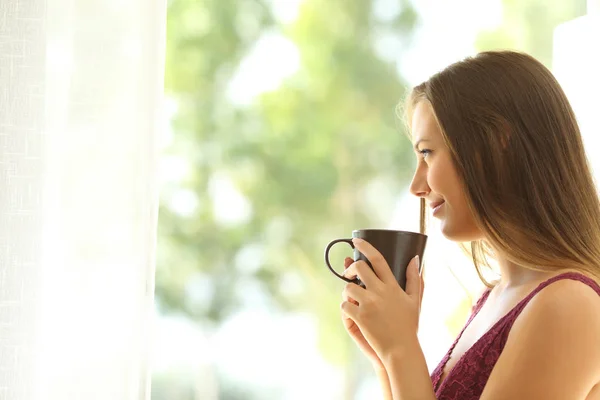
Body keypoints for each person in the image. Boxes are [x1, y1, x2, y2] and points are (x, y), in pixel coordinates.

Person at [339, 50, 600, 399]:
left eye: (427, 153)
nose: (417, 185)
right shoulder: (492, 300)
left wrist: (401, 350)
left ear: (495, 144)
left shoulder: (569, 305)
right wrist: (384, 356)